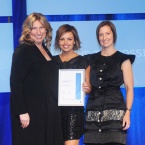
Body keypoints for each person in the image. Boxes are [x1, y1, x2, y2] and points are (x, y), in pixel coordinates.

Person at [10, 12, 63, 145]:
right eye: (34, 28)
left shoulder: (45, 49)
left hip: (47, 112)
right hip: (30, 114)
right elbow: (15, 82)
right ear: (28, 31)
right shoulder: (23, 50)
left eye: (41, 27)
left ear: (46, 29)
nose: (38, 32)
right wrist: (22, 111)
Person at [84, 20, 135, 145]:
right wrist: (85, 88)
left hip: (115, 116)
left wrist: (128, 112)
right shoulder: (89, 60)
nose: (104, 37)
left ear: (113, 35)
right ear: (97, 37)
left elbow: (129, 88)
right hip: (93, 115)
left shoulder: (123, 59)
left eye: (107, 33)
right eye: (101, 34)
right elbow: (87, 87)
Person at [53, 24, 91, 145]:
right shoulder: (51, 62)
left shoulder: (84, 62)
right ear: (58, 41)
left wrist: (87, 88)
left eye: (69, 39)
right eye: (62, 38)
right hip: (54, 112)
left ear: (75, 41)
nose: (66, 42)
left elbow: (89, 88)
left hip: (73, 113)